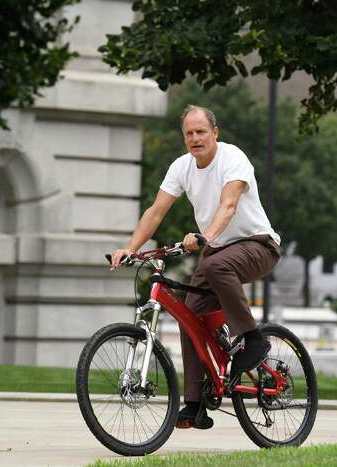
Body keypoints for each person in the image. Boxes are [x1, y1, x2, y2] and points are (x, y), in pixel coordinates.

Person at [110, 105, 280, 430]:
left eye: (201, 131)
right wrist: (131, 249)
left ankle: (253, 338)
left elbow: (228, 205)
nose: (195, 138)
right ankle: (194, 404)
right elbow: (156, 212)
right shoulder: (182, 167)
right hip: (217, 253)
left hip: (258, 245)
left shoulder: (233, 159)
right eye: (189, 133)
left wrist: (206, 236)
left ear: (215, 133)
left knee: (215, 265)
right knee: (191, 315)